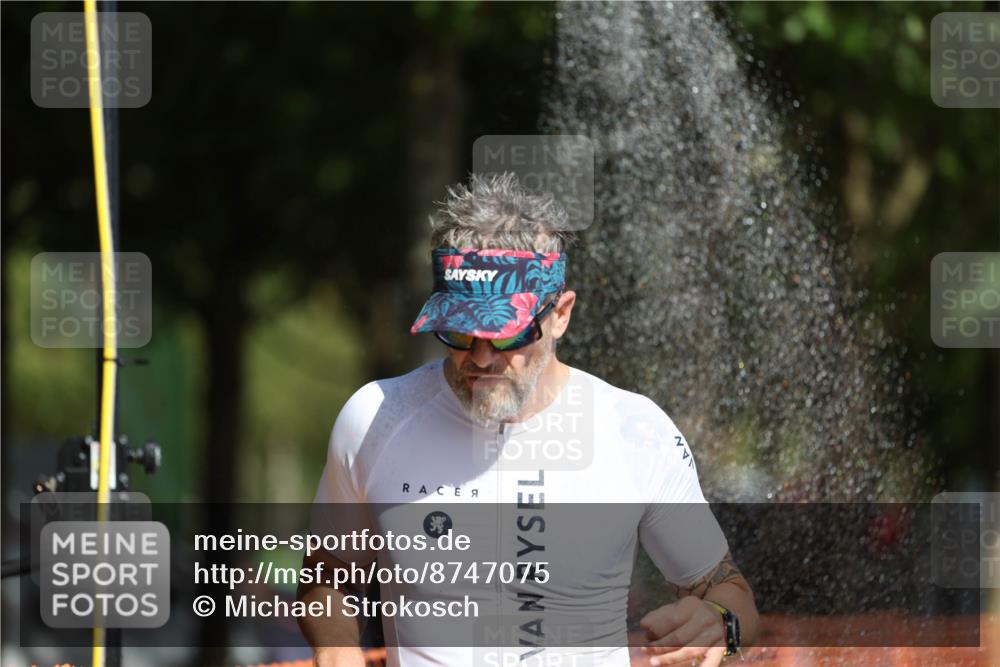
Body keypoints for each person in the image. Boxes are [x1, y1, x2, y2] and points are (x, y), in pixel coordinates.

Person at [298, 173, 758, 667]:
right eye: (458, 331)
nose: (479, 357)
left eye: (505, 334)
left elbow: (730, 595)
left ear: (560, 314)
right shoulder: (374, 418)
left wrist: (718, 622)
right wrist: (335, 648)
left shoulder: (634, 432)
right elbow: (328, 577)